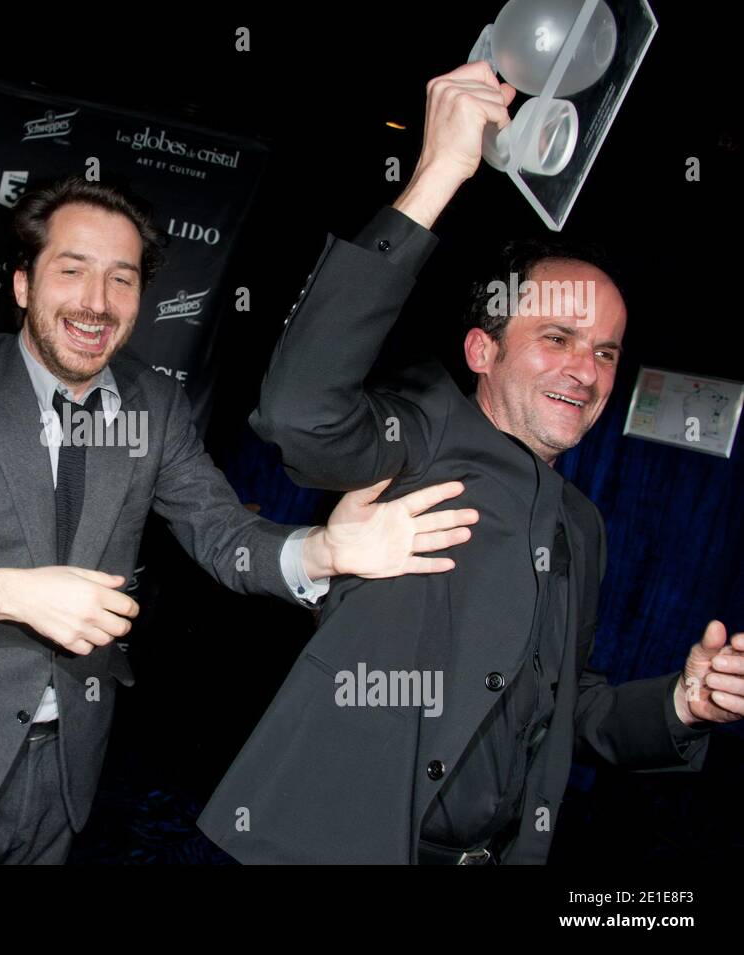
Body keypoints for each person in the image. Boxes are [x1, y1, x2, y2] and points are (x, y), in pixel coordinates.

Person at [0, 175, 480, 864]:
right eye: (71, 270)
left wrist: (327, 552)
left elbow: (225, 534)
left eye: (121, 279)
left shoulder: (155, 407)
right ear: (22, 284)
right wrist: (5, 593)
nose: (96, 303)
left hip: (69, 771)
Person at [198, 62, 744, 865]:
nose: (586, 370)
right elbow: (298, 411)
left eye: (603, 351)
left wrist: (680, 705)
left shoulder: (582, 526)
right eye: (556, 339)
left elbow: (573, 708)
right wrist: (438, 174)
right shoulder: (418, 432)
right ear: (483, 350)